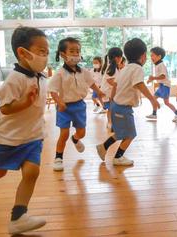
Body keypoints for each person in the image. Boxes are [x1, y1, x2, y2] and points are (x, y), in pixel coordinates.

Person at [0, 26, 49, 235]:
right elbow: (5, 108)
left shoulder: (41, 77)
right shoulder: (14, 79)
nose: (45, 56)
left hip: (33, 136)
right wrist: (25, 103)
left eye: (47, 51)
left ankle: (18, 217)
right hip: (9, 138)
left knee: (32, 172)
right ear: (23, 52)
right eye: (41, 51)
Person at [96, 38, 160, 166]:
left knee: (121, 133)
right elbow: (140, 84)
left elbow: (118, 85)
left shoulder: (125, 68)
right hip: (123, 108)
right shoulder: (137, 69)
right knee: (130, 134)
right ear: (143, 56)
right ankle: (118, 157)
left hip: (117, 106)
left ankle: (103, 147)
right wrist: (152, 99)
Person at [48, 37, 104, 171]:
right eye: (72, 51)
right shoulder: (59, 73)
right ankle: (58, 157)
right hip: (64, 107)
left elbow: (91, 83)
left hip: (79, 105)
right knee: (64, 134)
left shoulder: (84, 71)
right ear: (62, 54)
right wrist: (59, 102)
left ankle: (75, 139)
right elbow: (53, 91)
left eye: (77, 51)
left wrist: (99, 92)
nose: (75, 54)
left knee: (82, 132)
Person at [146, 47, 177, 122]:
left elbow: (163, 76)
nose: (151, 57)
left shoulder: (161, 65)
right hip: (161, 86)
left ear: (159, 57)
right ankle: (154, 114)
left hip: (165, 86)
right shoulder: (157, 65)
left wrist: (153, 78)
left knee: (166, 102)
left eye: (153, 55)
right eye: (151, 55)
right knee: (154, 99)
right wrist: (152, 79)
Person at [100, 47, 123, 131]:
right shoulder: (111, 67)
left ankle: (113, 122)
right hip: (108, 92)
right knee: (110, 109)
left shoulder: (115, 67)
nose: (121, 59)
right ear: (117, 58)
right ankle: (110, 123)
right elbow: (110, 81)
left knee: (113, 109)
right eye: (121, 57)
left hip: (112, 92)